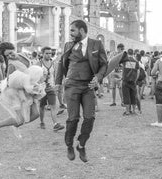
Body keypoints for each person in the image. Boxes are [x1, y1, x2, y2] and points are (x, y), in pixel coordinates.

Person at [55, 20, 108, 162]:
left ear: (82, 31)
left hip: (88, 86)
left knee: (90, 117)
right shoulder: (68, 45)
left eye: (73, 30)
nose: (70, 34)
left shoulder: (96, 44)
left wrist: (98, 77)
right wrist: (58, 83)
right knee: (73, 118)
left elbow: (104, 64)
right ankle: (69, 145)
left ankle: (81, 144)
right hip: (71, 85)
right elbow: (61, 63)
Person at [0, 42, 45, 141]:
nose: (10, 56)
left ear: (14, 49)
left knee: (35, 114)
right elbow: (11, 82)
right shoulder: (11, 65)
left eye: (11, 52)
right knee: (20, 118)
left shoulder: (23, 55)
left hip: (28, 89)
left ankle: (15, 126)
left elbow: (30, 69)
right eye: (7, 55)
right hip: (17, 92)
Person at [38, 46, 64, 131]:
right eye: (47, 53)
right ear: (42, 54)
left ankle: (55, 124)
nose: (49, 55)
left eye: (50, 53)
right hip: (41, 89)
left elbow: (56, 75)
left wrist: (57, 84)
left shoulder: (53, 63)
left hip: (51, 88)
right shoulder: (38, 64)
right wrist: (43, 78)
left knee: (53, 106)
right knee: (42, 106)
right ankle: (42, 121)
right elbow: (34, 77)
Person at [121, 49, 140, 115]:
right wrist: (135, 80)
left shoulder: (125, 61)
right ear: (133, 53)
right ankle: (134, 110)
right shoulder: (136, 61)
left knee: (126, 96)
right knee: (133, 96)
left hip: (125, 80)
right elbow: (138, 72)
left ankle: (127, 111)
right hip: (133, 81)